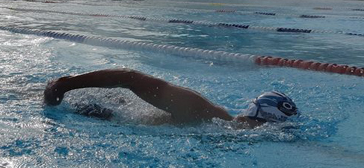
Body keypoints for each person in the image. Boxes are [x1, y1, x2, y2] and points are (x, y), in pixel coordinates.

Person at [44, 68, 298, 128]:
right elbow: (133, 79)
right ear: (262, 123)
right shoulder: (204, 111)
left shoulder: (222, 129)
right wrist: (66, 86)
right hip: (102, 113)